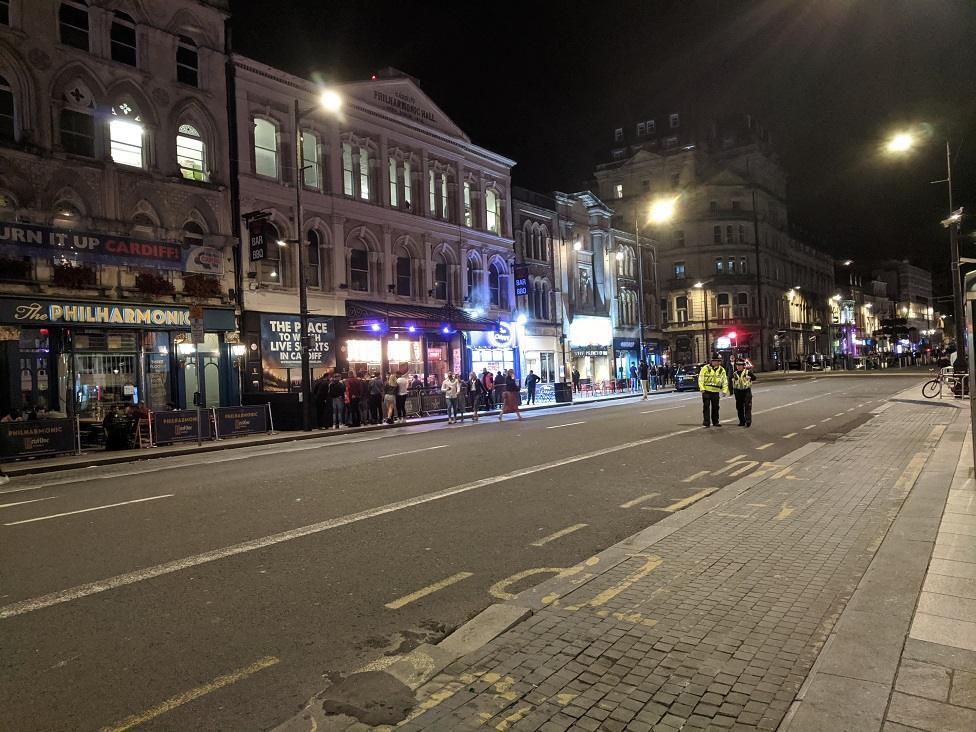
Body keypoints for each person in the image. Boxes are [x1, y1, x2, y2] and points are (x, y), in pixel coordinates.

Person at [698, 354, 729, 428]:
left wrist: (725, 390)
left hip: (715, 391)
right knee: (706, 406)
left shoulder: (721, 370)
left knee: (716, 407)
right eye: (717, 361)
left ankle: (715, 421)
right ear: (713, 361)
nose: (719, 363)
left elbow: (724, 381)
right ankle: (706, 422)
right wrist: (702, 388)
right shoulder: (705, 368)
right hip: (706, 391)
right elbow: (701, 379)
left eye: (719, 361)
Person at [732, 359, 757, 427]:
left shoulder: (747, 372)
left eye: (740, 365)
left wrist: (750, 378)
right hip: (738, 392)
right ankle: (742, 421)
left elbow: (754, 378)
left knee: (747, 407)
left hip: (746, 391)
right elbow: (732, 383)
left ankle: (748, 421)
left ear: (743, 366)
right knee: (739, 408)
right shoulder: (734, 373)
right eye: (738, 365)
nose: (739, 367)